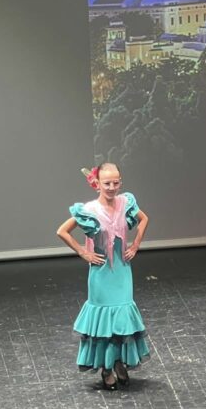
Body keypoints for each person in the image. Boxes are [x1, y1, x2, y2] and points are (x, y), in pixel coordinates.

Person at [55, 163, 150, 390]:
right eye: (107, 183)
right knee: (104, 323)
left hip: (121, 270)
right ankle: (106, 368)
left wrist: (135, 245)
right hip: (100, 272)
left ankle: (118, 363)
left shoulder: (126, 202)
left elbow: (144, 219)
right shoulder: (88, 209)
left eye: (116, 182)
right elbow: (62, 231)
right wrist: (83, 252)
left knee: (121, 319)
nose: (112, 187)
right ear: (97, 184)